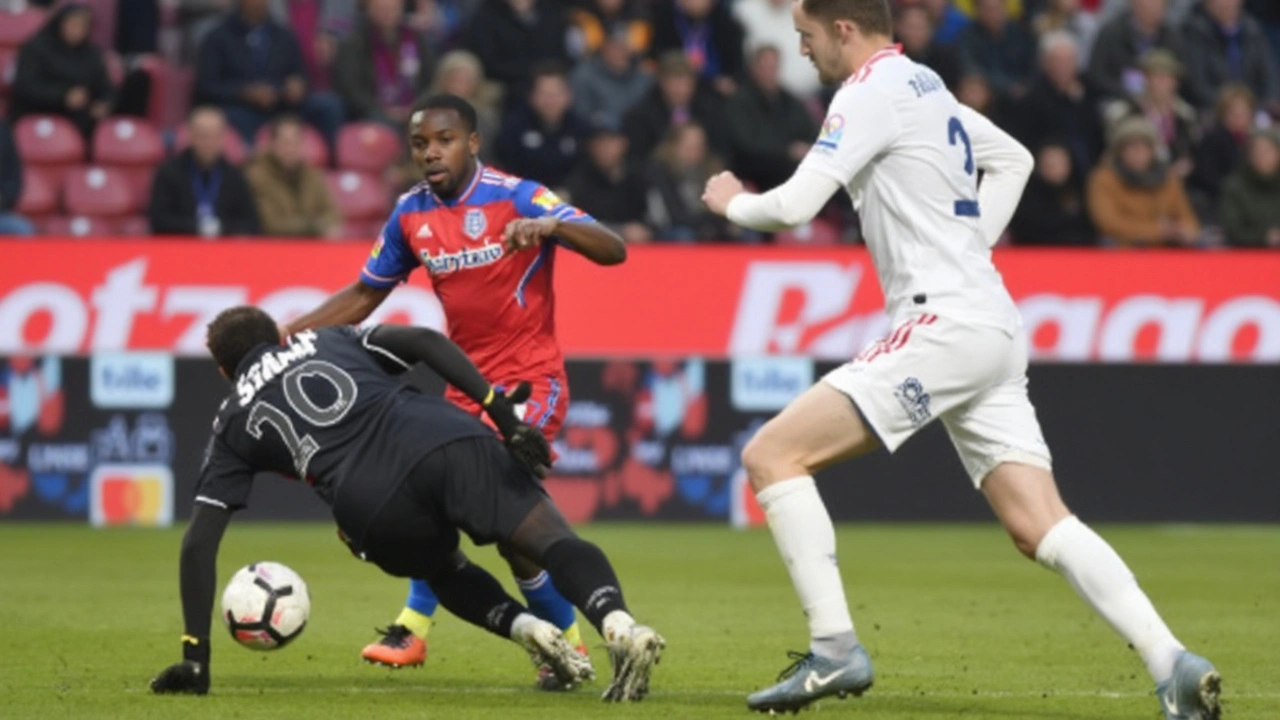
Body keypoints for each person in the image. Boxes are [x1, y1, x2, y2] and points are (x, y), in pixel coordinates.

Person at [700, 0, 1220, 717]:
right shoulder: (924, 85)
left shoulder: (868, 92)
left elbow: (792, 207)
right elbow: (1015, 158)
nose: (801, 51)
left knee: (771, 457)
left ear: (844, 29)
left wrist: (730, 203)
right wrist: (973, 248)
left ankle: (834, 650)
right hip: (993, 323)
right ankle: (1174, 662)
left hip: (939, 322)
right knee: (1040, 522)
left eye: (807, 36)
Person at [277, 93, 627, 688]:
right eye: (419, 144)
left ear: (471, 142)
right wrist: (287, 333)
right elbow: (365, 296)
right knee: (511, 541)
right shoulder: (410, 214)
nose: (430, 153)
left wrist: (551, 227)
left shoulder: (518, 195)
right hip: (466, 386)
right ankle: (570, 652)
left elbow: (613, 249)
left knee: (468, 493)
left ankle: (414, 626)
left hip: (529, 381)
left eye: (442, 140)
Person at [148, 307, 663, 700]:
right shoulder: (325, 338)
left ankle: (525, 628)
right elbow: (423, 340)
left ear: (223, 371)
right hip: (442, 439)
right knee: (551, 540)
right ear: (278, 337)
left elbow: (198, 543)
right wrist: (501, 414)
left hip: (370, 505)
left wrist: (196, 656)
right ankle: (619, 624)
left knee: (442, 569)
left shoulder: (231, 419)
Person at [149, 106, 261, 237]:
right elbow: (159, 220)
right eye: (203, 136)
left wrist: (220, 227)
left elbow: (250, 222)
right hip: (181, 245)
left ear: (223, 137)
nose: (209, 142)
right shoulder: (169, 172)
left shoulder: (234, 175)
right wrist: (198, 228)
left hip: (224, 248)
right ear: (191, 135)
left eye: (214, 136)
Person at [9, 3, 114, 140]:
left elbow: (106, 88)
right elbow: (25, 86)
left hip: (79, 119)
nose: (77, 30)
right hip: (36, 112)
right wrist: (63, 96)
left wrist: (104, 103)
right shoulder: (35, 48)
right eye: (73, 24)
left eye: (83, 25)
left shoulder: (92, 54)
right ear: (60, 23)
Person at [243, 114, 343, 237]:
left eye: (295, 142)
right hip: (276, 248)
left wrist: (323, 226)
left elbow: (333, 213)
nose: (290, 148)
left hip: (312, 249)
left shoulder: (313, 175)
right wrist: (315, 226)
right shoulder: (256, 177)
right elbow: (271, 224)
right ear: (272, 144)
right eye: (285, 142)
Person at [1219, 128, 1280, 247]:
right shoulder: (1235, 186)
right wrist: (1264, 237)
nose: (1262, 157)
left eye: (1267, 151)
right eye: (1257, 152)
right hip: (1247, 254)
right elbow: (1232, 229)